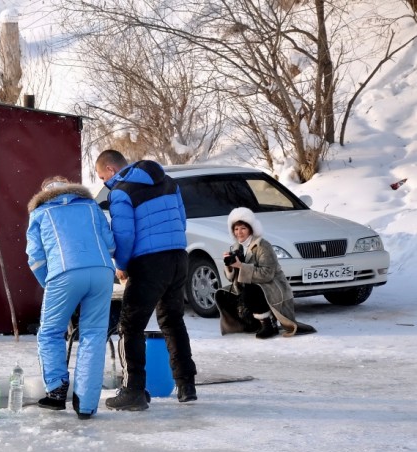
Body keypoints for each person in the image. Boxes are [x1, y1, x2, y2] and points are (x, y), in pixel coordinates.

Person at [95, 150, 198, 410]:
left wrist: (122, 265)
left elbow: (124, 235)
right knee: (172, 321)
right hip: (178, 257)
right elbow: (182, 220)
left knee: (130, 325)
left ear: (110, 168)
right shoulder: (168, 181)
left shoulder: (120, 192)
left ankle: (133, 391)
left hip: (149, 262)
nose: (102, 181)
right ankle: (186, 385)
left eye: (100, 176)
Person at [26, 175, 116, 420]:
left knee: (50, 332)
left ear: (45, 192)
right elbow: (110, 244)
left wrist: (50, 284)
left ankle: (56, 392)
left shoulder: (41, 213)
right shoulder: (90, 206)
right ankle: (86, 405)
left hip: (63, 273)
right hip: (102, 271)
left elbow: (35, 258)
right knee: (94, 334)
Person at [215, 207, 317, 339]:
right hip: (253, 286)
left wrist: (242, 266)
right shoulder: (236, 247)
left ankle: (268, 324)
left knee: (250, 291)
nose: (239, 232)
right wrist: (230, 266)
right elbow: (231, 278)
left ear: (251, 229)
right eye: (236, 229)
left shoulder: (263, 246)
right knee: (223, 294)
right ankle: (250, 323)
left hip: (273, 287)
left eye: (243, 228)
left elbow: (267, 274)